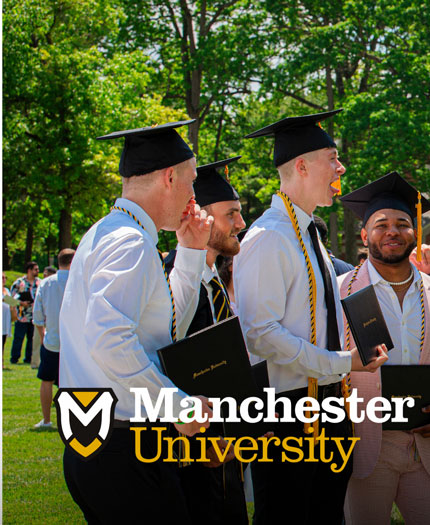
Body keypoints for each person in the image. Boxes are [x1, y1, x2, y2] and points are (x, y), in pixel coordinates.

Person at [60, 119, 216, 523]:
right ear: (169, 177)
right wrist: (178, 406)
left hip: (97, 440)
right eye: (191, 181)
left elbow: (167, 331)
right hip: (122, 447)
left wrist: (191, 251)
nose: (194, 194)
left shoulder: (110, 233)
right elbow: (110, 340)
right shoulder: (129, 242)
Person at [237, 111, 388, 523]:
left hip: (326, 406)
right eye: (331, 158)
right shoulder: (269, 237)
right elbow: (260, 335)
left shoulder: (307, 235)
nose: (340, 168)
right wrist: (341, 362)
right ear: (301, 166)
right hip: (290, 414)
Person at [338, 172, 430, 524]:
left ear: (415, 233)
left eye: (402, 223)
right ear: (365, 236)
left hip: (427, 441)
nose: (392, 231)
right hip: (366, 445)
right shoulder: (339, 293)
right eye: (381, 224)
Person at [163, 156, 251, 524]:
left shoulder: (216, 281)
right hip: (189, 455)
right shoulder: (171, 281)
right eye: (231, 214)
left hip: (227, 451)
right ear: (199, 215)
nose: (241, 224)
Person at [31, 248, 73, 429]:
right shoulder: (78, 281)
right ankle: (70, 422)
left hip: (52, 340)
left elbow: (37, 315)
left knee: (46, 381)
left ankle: (47, 420)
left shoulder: (46, 283)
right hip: (73, 342)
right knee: (71, 383)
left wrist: (42, 336)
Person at [9, 261, 39, 365]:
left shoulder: (39, 282)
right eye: (35, 269)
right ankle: (14, 358)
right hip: (21, 316)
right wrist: (21, 303)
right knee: (18, 338)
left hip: (34, 316)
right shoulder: (19, 283)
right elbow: (9, 299)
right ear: (29, 270)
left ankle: (29, 358)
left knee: (32, 339)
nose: (37, 271)